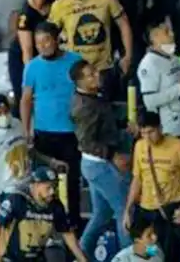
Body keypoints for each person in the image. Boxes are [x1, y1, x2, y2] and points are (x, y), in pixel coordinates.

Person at [20, 21, 83, 229]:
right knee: (45, 183)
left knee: (72, 182)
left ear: (56, 40)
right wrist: (26, 130)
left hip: (71, 133)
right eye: (38, 43)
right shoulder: (32, 67)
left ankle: (72, 224)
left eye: (46, 40)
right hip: (44, 134)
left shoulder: (75, 61)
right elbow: (26, 100)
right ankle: (48, 228)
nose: (43, 46)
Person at [70, 59, 132, 259]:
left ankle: (82, 255)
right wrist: (112, 155)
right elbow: (86, 142)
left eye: (95, 71)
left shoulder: (94, 96)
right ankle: (128, 257)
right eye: (90, 74)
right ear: (80, 82)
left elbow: (105, 122)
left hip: (94, 164)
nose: (97, 75)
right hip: (99, 165)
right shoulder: (84, 106)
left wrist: (123, 125)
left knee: (101, 214)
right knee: (124, 209)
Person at [123, 111, 180, 260]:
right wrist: (128, 209)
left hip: (167, 210)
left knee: (169, 254)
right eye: (143, 133)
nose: (148, 137)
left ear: (160, 128)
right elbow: (137, 179)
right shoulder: (140, 146)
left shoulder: (179, 147)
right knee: (147, 254)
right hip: (145, 209)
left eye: (151, 132)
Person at [49, 0, 133, 93]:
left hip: (104, 68)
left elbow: (124, 23)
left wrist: (128, 55)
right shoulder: (60, 5)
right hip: (77, 72)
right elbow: (51, 36)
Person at [0, 93, 66, 215]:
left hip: (29, 185)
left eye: (6, 111)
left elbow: (29, 151)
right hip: (9, 190)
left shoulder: (17, 124)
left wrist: (51, 161)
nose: (4, 116)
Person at [0, 167, 87, 262]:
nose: (52, 192)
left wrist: (82, 259)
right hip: (11, 257)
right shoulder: (17, 199)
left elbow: (67, 233)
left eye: (54, 187)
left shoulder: (55, 205)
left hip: (36, 258)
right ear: (36, 185)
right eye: (48, 188)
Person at [138, 22, 180, 138]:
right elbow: (149, 100)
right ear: (154, 37)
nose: (172, 34)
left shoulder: (173, 58)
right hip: (167, 130)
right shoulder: (149, 63)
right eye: (167, 32)